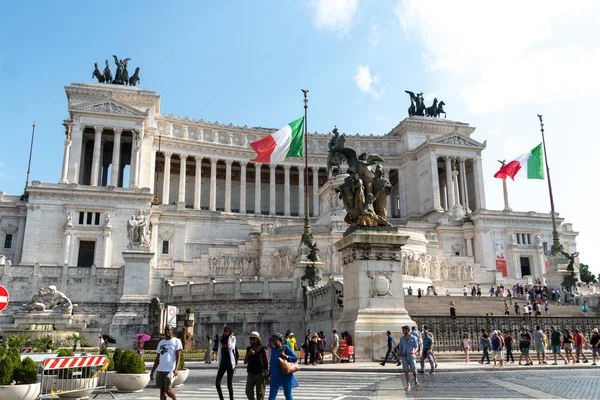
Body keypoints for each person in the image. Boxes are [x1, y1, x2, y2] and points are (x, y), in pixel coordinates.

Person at [150, 325, 182, 400]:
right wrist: (152, 371)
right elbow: (157, 358)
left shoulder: (176, 341)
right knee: (162, 391)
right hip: (161, 369)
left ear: (172, 331)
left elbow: (178, 356)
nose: (167, 331)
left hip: (170, 370)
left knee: (168, 390)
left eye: (169, 330)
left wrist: (176, 368)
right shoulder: (161, 343)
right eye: (166, 330)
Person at [268, 333, 299, 400]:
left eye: (275, 340)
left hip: (285, 376)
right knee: (272, 395)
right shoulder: (273, 350)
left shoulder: (286, 348)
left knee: (287, 394)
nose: (273, 342)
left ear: (280, 340)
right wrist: (269, 373)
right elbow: (272, 362)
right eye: (272, 341)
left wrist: (286, 356)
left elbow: (295, 358)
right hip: (275, 376)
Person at [244, 331, 268, 400]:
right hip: (251, 373)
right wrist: (249, 354)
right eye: (251, 339)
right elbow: (245, 362)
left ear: (258, 339)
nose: (252, 340)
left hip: (260, 373)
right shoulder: (249, 349)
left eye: (254, 338)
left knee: (260, 393)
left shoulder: (262, 349)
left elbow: (266, 362)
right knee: (248, 391)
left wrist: (267, 374)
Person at [215, 326, 237, 400]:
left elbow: (231, 347)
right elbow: (219, 353)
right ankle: (221, 398)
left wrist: (229, 338)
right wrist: (219, 363)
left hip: (230, 363)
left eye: (227, 332)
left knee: (229, 385)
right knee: (217, 383)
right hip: (223, 363)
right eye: (224, 331)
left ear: (229, 332)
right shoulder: (221, 340)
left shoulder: (233, 339)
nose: (225, 333)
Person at [397, 325, 419, 391]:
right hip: (404, 356)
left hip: (411, 356)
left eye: (404, 330)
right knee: (406, 371)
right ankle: (408, 385)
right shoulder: (402, 338)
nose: (402, 331)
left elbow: (417, 347)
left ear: (407, 330)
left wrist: (414, 351)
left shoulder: (414, 338)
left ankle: (415, 379)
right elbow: (400, 347)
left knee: (414, 370)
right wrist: (399, 354)